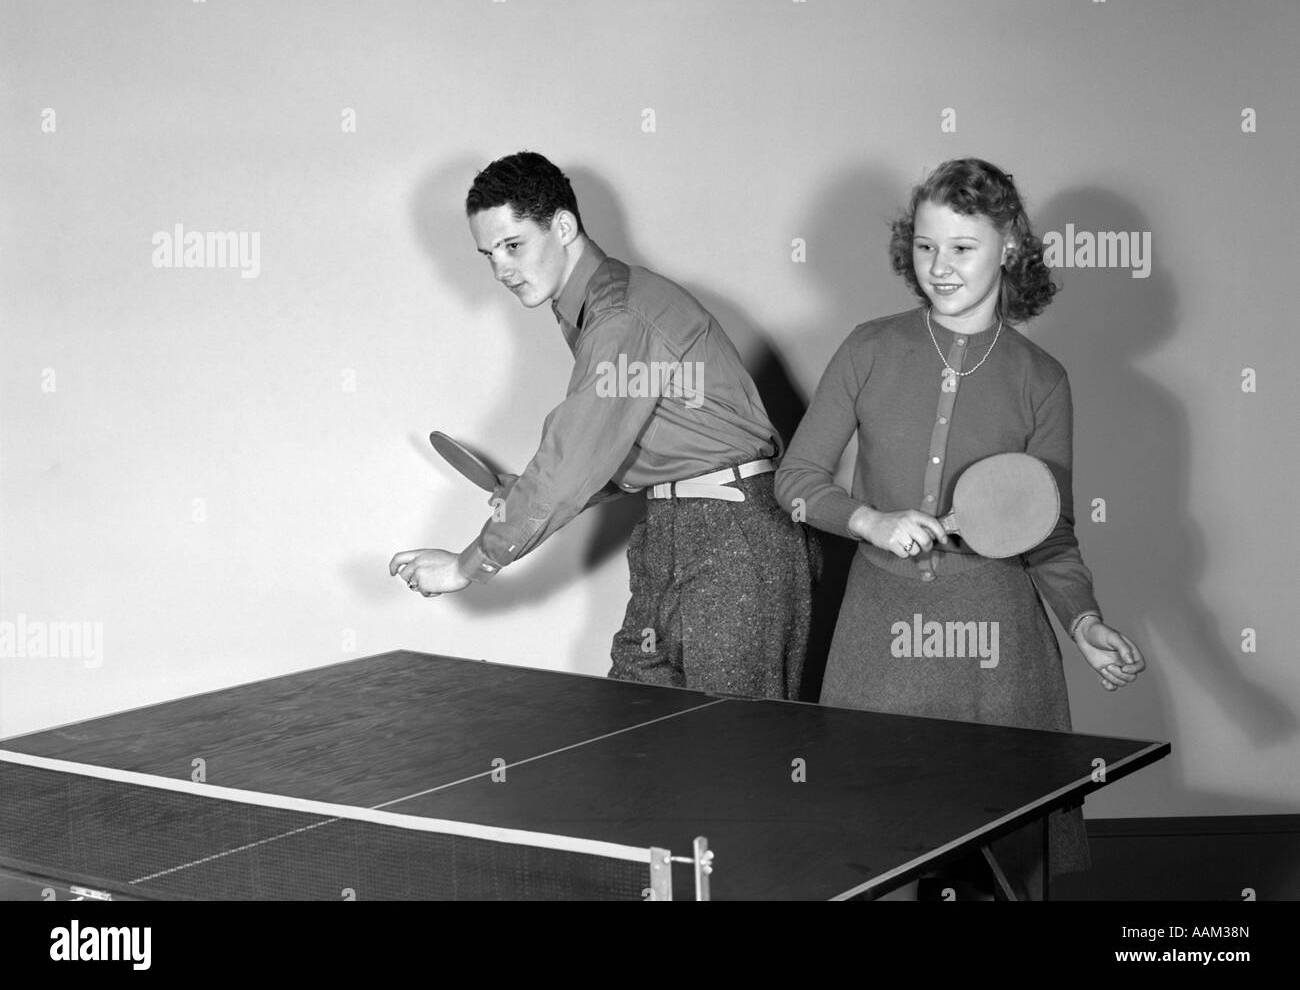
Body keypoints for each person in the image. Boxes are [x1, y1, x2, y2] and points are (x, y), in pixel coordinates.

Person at [774, 158, 1146, 899]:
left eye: (961, 248)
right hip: (879, 647)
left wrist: (1086, 623)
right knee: (871, 864)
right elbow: (795, 481)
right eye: (925, 246)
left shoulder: (1042, 379)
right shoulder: (869, 349)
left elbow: (1048, 530)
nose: (938, 268)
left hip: (999, 664)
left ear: (1009, 245)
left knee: (1007, 875)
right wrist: (869, 520)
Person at [390, 152, 817, 698]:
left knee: (733, 756)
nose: (500, 268)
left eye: (513, 244)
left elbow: (568, 466)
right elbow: (611, 456)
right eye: (488, 253)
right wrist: (526, 496)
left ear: (563, 227)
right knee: (633, 731)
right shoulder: (592, 313)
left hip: (732, 538)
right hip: (671, 528)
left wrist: (467, 566)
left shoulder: (621, 316)